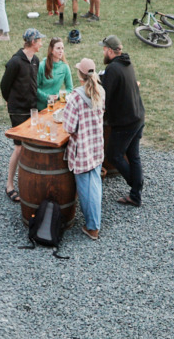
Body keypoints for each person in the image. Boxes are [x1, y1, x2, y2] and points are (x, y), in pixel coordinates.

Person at [59, 58, 107, 239]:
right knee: (95, 184)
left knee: (87, 189)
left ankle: (93, 227)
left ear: (79, 75)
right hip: (96, 146)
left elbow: (69, 128)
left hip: (82, 149)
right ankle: (94, 223)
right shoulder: (100, 91)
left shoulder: (76, 97)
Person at [100, 35, 144, 206]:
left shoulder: (112, 69)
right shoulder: (127, 63)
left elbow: (104, 97)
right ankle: (135, 195)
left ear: (111, 51)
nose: (103, 52)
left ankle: (135, 185)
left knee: (114, 155)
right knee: (133, 155)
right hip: (138, 117)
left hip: (125, 122)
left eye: (104, 50)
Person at [0, 29, 44, 128]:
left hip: (32, 108)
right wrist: (11, 100)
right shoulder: (15, 62)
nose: (41, 44)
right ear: (33, 42)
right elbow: (4, 85)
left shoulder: (35, 60)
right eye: (40, 41)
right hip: (18, 110)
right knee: (19, 142)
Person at [35, 37, 74, 103]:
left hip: (56, 106)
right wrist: (47, 97)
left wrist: (59, 95)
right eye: (58, 48)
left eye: (62, 48)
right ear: (52, 50)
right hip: (41, 106)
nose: (61, 51)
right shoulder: (41, 66)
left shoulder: (65, 67)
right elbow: (35, 88)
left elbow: (70, 89)